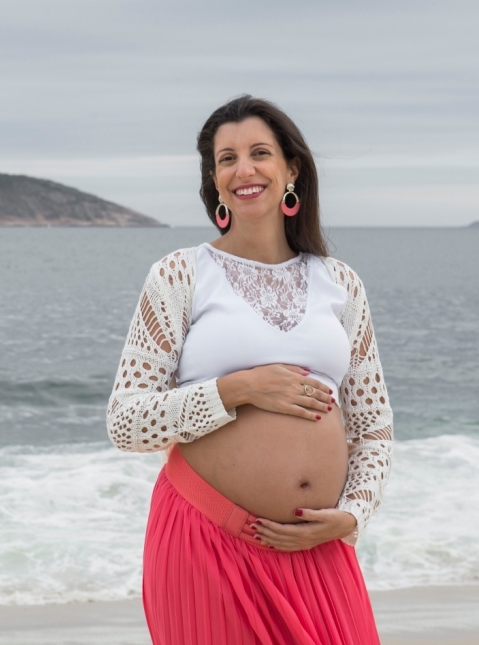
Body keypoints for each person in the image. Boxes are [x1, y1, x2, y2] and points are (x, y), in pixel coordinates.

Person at [106, 94, 393, 644]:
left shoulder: (341, 283)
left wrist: (352, 515)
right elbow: (127, 422)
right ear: (214, 181)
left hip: (318, 549)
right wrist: (239, 389)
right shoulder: (179, 275)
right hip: (207, 536)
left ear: (291, 168)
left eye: (259, 152)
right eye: (226, 159)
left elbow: (373, 425)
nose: (244, 169)